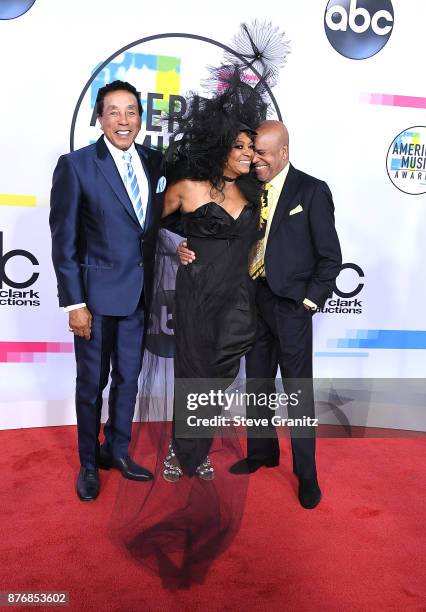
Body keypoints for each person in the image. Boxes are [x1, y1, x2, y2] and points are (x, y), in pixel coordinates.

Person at [178, 119, 342, 508]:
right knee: (258, 383)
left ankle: (307, 474)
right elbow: (218, 228)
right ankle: (263, 452)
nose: (257, 161)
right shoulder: (246, 189)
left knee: (298, 391)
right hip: (250, 299)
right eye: (253, 154)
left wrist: (308, 302)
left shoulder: (312, 191)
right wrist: (189, 243)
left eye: (264, 154)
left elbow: (330, 258)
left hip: (290, 306)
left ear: (284, 153)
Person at [49, 80, 165, 502]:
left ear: (141, 117)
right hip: (94, 302)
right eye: (113, 111)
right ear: (99, 117)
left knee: (128, 380)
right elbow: (64, 243)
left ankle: (116, 451)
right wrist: (75, 303)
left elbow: (155, 222)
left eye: (131, 111)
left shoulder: (154, 160)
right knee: (90, 384)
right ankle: (87, 463)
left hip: (138, 297)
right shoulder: (76, 165)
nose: (123, 120)